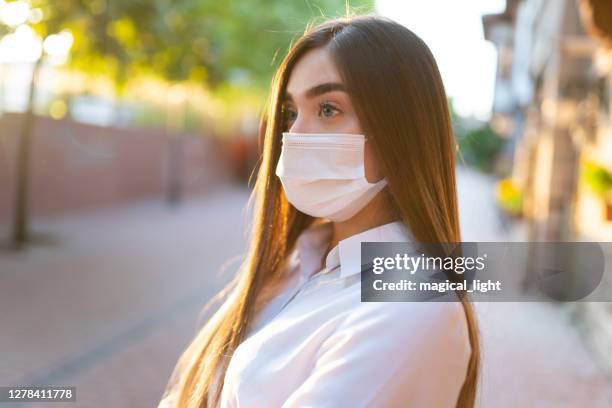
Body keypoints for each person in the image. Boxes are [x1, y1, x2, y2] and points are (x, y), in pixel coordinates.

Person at [159, 13, 480, 408]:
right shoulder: (303, 259)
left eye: (328, 109)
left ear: (401, 132)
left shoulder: (412, 310)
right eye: (292, 113)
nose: (293, 137)